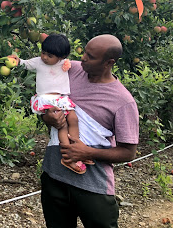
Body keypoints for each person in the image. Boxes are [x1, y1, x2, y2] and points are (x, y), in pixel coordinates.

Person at [40, 34, 139, 228]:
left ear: (108, 62)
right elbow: (46, 102)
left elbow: (129, 152)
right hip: (54, 177)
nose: (83, 58)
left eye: (91, 56)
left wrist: (88, 153)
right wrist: (47, 118)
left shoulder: (123, 101)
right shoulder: (70, 71)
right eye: (84, 52)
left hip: (92, 187)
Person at [13, 33, 90, 174]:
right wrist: (17, 60)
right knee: (62, 125)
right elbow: (25, 64)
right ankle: (68, 157)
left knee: (73, 118)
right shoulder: (38, 62)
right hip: (46, 99)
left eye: (50, 55)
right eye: (43, 53)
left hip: (62, 99)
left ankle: (77, 148)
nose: (44, 57)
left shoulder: (65, 63)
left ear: (61, 57)